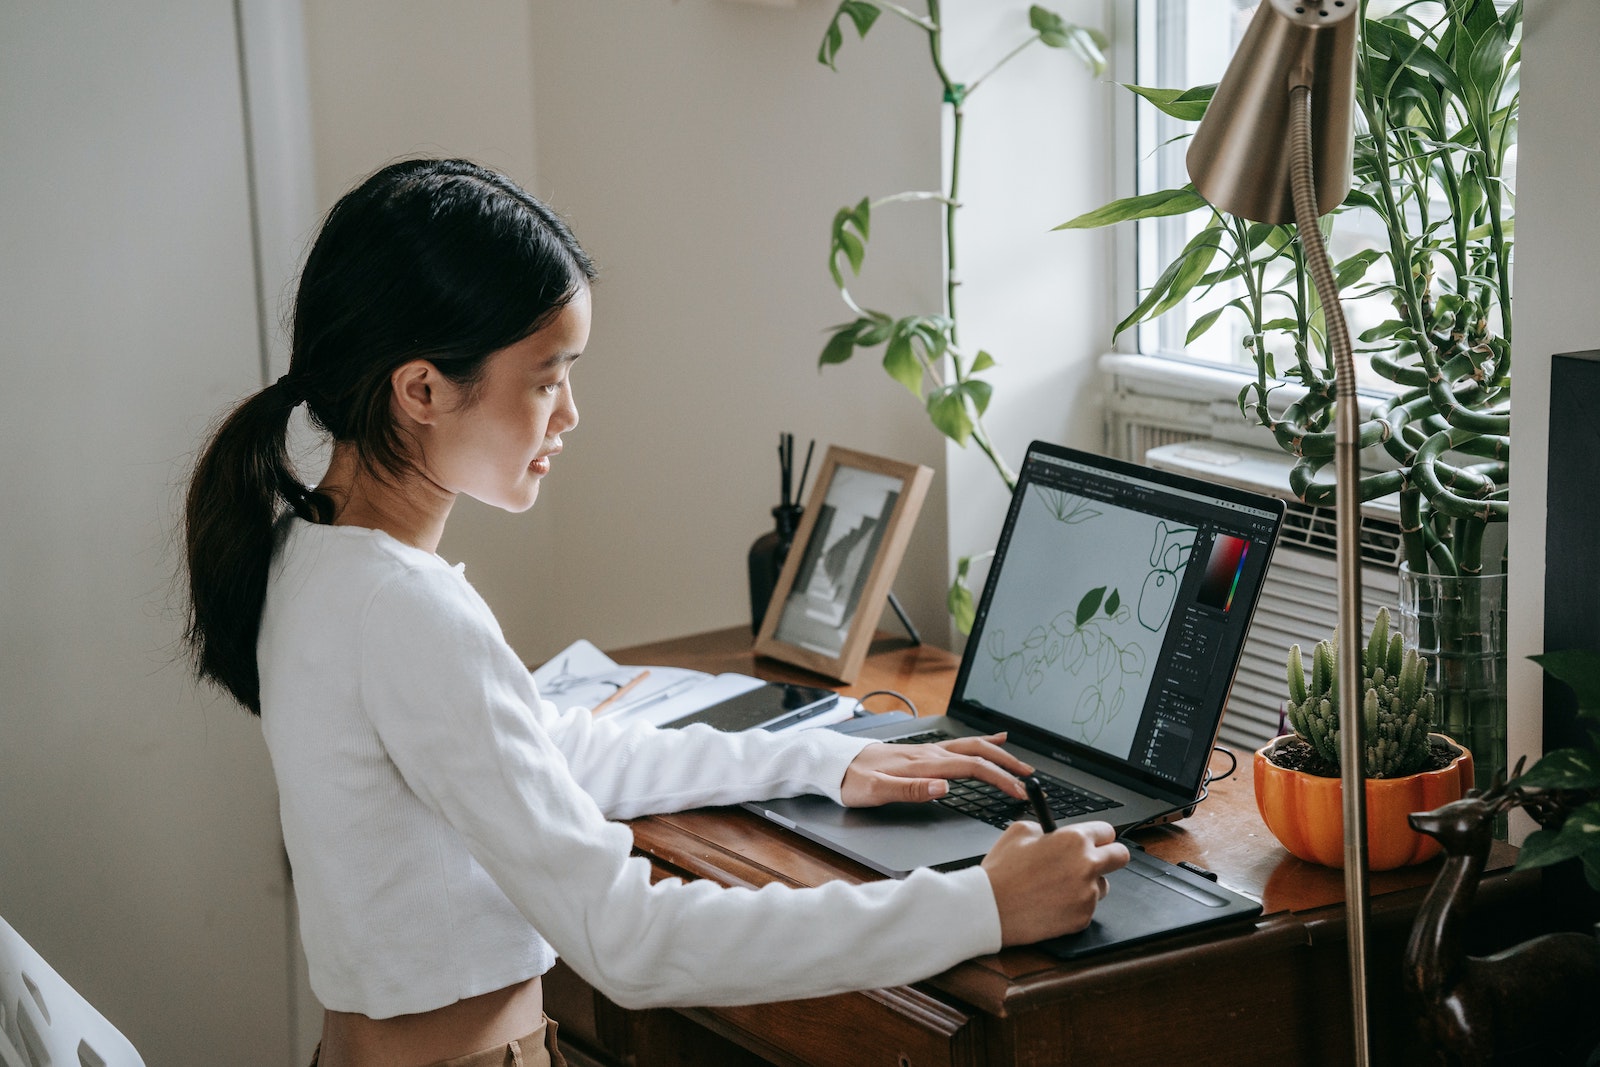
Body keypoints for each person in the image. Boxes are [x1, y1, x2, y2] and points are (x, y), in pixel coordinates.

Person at [182, 158, 1128, 1067]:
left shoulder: (312, 551)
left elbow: (546, 751)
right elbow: (627, 940)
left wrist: (822, 757)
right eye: (547, 378)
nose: (570, 414)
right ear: (422, 388)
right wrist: (981, 904)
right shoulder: (405, 610)